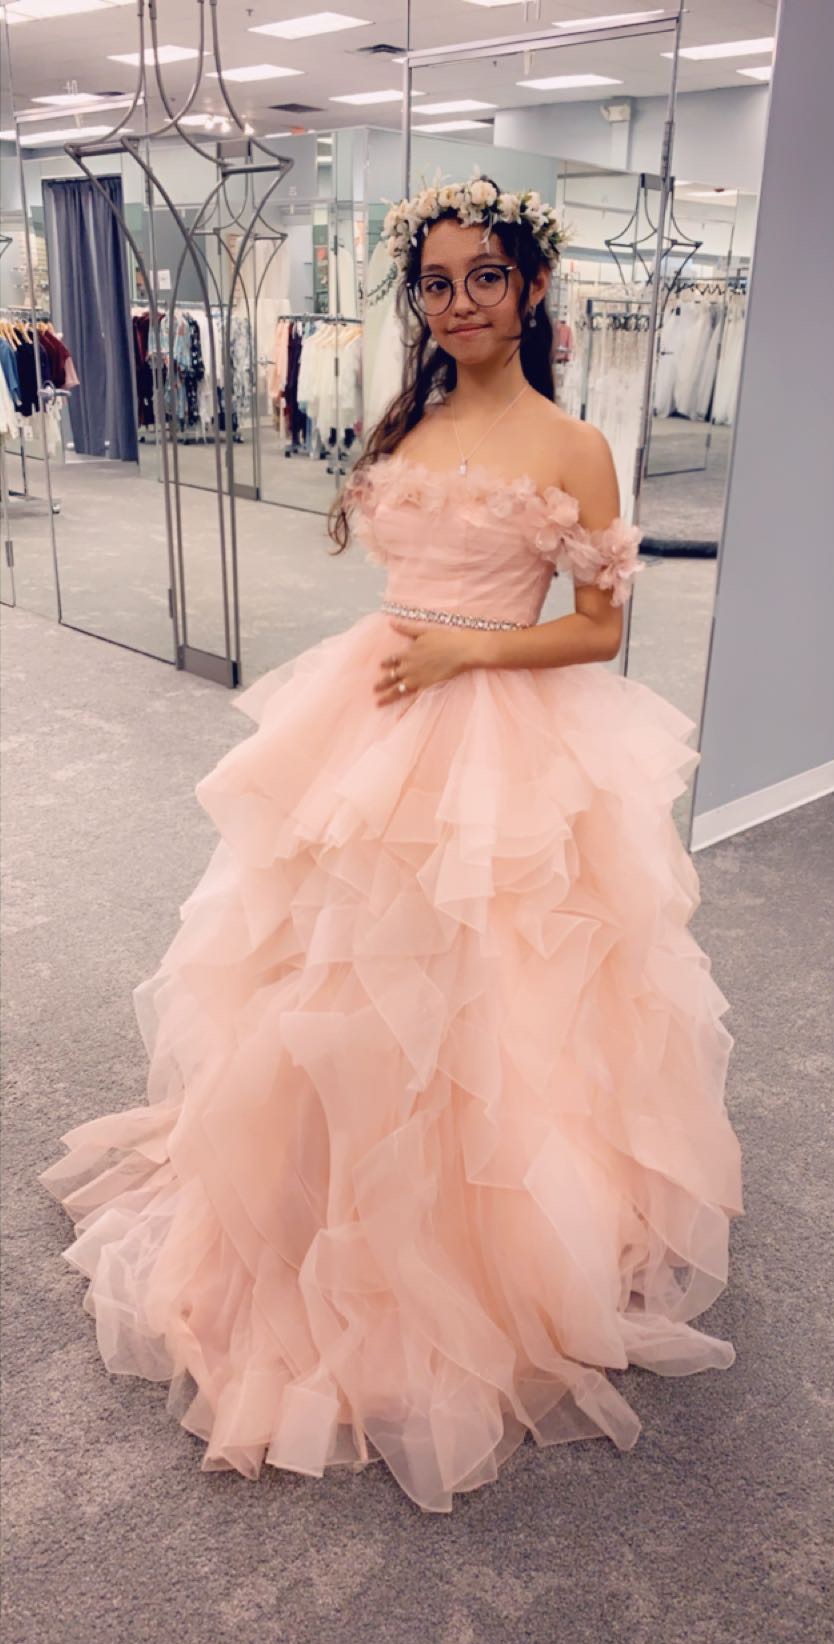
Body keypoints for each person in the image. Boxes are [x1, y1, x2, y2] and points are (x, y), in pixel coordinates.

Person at [38, 174, 744, 1516]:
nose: (459, 301)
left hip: (498, 725)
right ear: (412, 296)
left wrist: (469, 647)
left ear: (530, 288)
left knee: (487, 979)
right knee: (323, 964)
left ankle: (483, 1237)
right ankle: (312, 1193)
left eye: (485, 276)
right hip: (370, 705)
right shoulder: (407, 412)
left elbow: (596, 629)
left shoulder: (572, 443)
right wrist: (420, 644)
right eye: (435, 281)